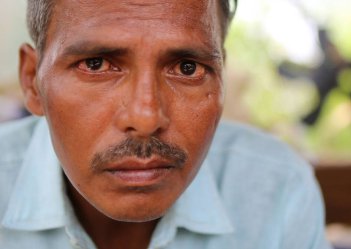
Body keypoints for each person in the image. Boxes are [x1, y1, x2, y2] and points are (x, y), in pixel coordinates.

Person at [0, 0, 332, 248]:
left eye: (188, 68)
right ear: (32, 81)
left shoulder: (278, 190)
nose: (146, 119)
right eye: (96, 64)